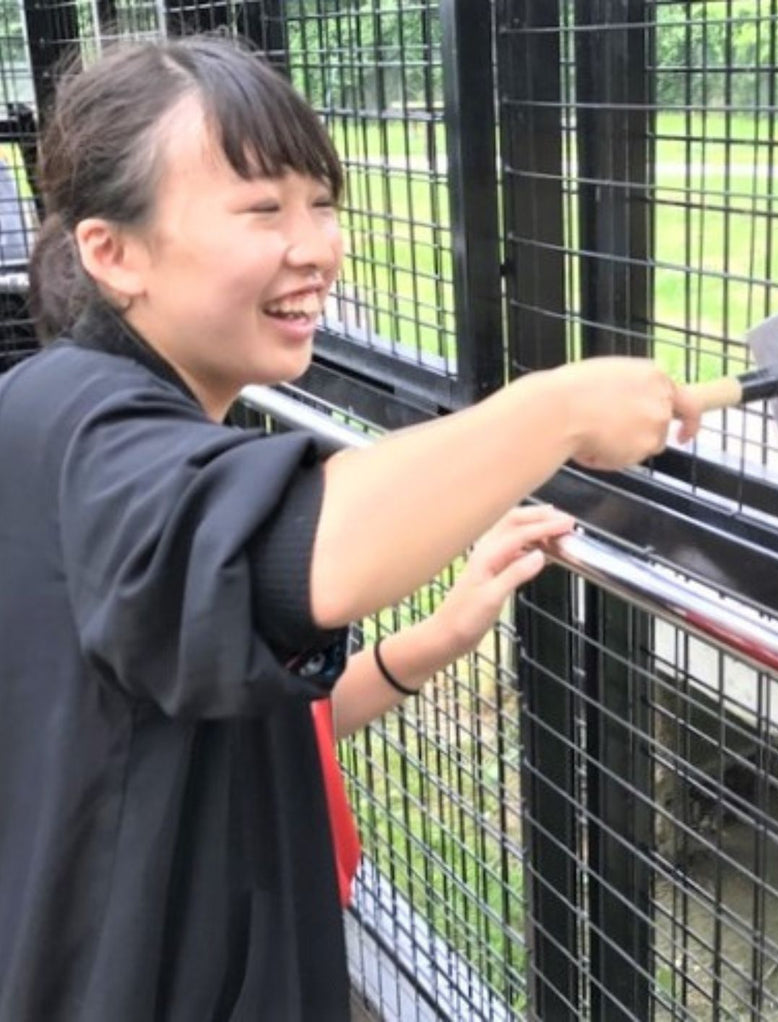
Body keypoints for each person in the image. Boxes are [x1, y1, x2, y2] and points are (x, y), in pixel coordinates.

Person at [0, 34, 701, 1020]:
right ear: (113, 253)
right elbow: (282, 556)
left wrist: (435, 638)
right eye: (260, 209)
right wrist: (554, 410)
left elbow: (194, 694)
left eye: (319, 202)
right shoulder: (94, 434)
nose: (317, 245)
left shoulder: (46, 406)